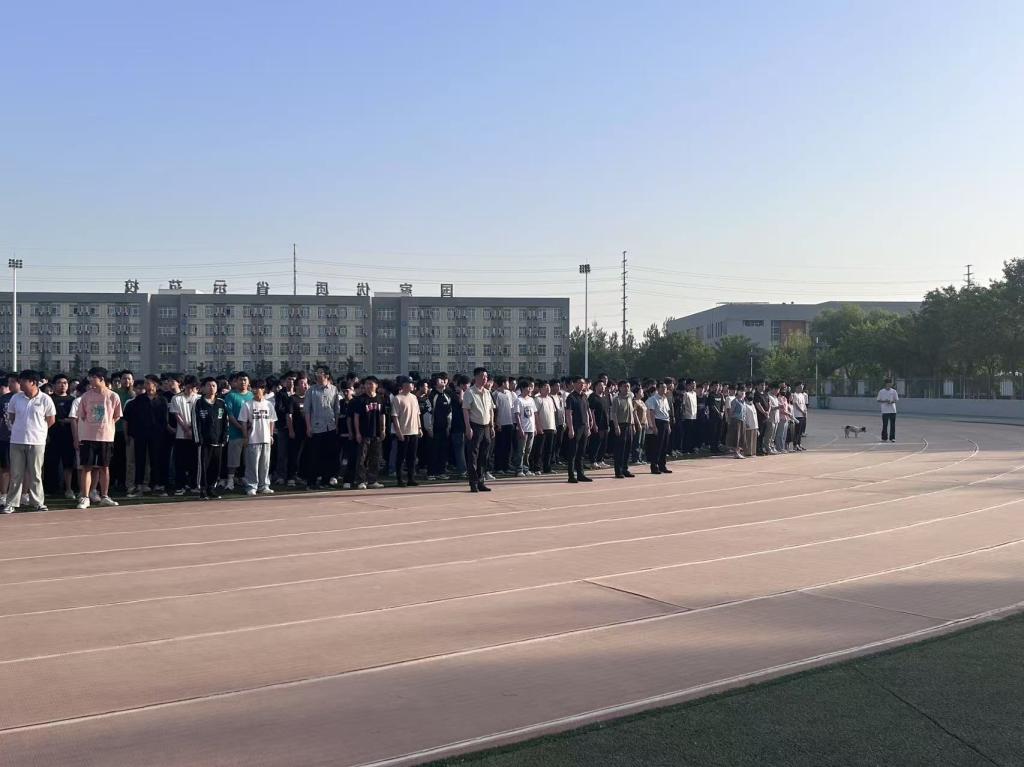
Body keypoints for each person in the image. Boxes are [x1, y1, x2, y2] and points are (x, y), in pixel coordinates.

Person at [3, 370, 56, 513]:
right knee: (16, 474)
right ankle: (11, 503)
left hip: (37, 442)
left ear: (33, 382)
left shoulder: (45, 399)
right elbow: (12, 417)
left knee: (35, 474)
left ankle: (37, 502)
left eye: (23, 381)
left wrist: (39, 430)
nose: (20, 384)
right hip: (17, 441)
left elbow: (51, 419)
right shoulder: (16, 398)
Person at [73, 366, 122, 509]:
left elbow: (117, 416)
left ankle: (105, 496)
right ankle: (85, 497)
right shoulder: (86, 396)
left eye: (93, 377)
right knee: (86, 467)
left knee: (104, 467)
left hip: (106, 437)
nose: (90, 380)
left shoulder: (113, 396)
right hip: (88, 437)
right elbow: (82, 416)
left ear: (101, 379)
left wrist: (105, 425)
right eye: (90, 377)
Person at [125, 375, 168, 496]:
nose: (146, 385)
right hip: (141, 435)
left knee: (155, 460)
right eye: (145, 383)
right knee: (140, 460)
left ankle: (156, 485)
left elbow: (164, 420)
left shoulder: (162, 400)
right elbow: (131, 418)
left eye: (149, 383)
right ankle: (139, 486)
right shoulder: (138, 400)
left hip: (156, 435)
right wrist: (131, 433)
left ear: (155, 385)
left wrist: (161, 432)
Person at [238, 379, 277, 496]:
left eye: (258, 388)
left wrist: (271, 435)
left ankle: (264, 485)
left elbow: (272, 421)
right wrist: (245, 437)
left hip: (266, 438)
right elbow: (243, 422)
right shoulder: (247, 404)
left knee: (265, 465)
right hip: (253, 439)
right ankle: (251, 486)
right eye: (253, 388)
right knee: (252, 465)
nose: (255, 390)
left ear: (263, 389)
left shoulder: (269, 404)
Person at [194, 376, 229, 500]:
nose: (211, 388)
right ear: (203, 388)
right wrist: (199, 439)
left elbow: (225, 421)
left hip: (218, 441)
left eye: (214, 385)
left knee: (216, 466)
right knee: (203, 466)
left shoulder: (221, 403)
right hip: (204, 442)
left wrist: (225, 437)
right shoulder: (199, 403)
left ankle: (211, 488)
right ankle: (202, 489)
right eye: (208, 385)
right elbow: (196, 422)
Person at [306, 366, 340, 489]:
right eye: (316, 372)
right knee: (314, 456)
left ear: (326, 375)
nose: (317, 374)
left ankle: (326, 481)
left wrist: (336, 425)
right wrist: (308, 427)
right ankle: (311, 482)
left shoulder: (334, 389)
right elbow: (307, 410)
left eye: (320, 372)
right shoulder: (311, 390)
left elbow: (336, 409)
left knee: (329, 455)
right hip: (316, 428)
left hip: (330, 427)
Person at [463, 367, 495, 492]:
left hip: (486, 426)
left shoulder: (487, 392)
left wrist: (492, 426)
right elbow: (466, 410)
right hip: (475, 426)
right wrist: (468, 427)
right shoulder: (469, 392)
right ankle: (474, 483)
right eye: (482, 376)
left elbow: (491, 410)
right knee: (473, 455)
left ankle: (481, 481)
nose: (485, 379)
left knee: (484, 455)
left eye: (486, 376)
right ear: (476, 377)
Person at [351, 376, 387, 489]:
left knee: (375, 458)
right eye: (366, 384)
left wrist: (383, 429)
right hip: (364, 433)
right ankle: (360, 480)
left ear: (376, 385)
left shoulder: (380, 399)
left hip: (376, 433)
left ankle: (372, 480)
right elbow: (356, 417)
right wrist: (357, 433)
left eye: (371, 384)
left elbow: (383, 415)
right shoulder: (360, 400)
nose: (368, 386)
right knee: (361, 458)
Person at [46, 373, 77, 498]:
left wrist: (69, 421)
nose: (62, 385)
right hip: (52, 436)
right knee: (51, 463)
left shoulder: (72, 400)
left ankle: (68, 489)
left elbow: (77, 418)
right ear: (53, 385)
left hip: (68, 436)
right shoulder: (48, 399)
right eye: (59, 383)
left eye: (65, 383)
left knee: (68, 464)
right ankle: (50, 489)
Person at [169, 375, 200, 495]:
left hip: (196, 435)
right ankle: (180, 486)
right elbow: (177, 415)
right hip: (181, 435)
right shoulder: (176, 398)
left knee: (194, 462)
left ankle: (193, 485)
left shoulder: (199, 398)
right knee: (180, 462)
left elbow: (199, 416)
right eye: (188, 386)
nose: (190, 389)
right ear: (184, 386)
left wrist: (192, 429)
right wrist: (186, 429)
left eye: (193, 386)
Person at [223, 372, 254, 491]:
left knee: (248, 459)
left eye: (245, 380)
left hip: (250, 434)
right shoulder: (230, 396)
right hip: (235, 433)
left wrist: (248, 427)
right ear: (236, 381)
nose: (243, 382)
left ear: (248, 382)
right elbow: (230, 415)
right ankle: (230, 480)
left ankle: (246, 478)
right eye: (240, 380)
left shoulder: (252, 395)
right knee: (233, 459)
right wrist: (241, 428)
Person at [390, 375, 422, 488]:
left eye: (412, 383)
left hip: (414, 431)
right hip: (403, 432)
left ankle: (411, 478)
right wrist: (398, 432)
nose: (412, 385)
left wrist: (419, 428)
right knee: (401, 456)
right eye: (410, 383)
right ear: (404, 385)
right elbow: (394, 417)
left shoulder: (414, 397)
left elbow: (417, 414)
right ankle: (400, 479)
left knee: (412, 457)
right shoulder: (397, 398)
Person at [564, 376, 593, 483]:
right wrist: (570, 428)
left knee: (581, 452)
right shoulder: (571, 397)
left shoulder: (584, 396)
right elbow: (568, 413)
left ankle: (581, 474)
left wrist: (588, 425)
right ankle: (571, 475)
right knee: (573, 452)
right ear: (574, 384)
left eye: (583, 383)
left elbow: (587, 411)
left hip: (584, 426)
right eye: (580, 383)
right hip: (575, 427)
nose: (582, 385)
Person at [427, 373, 452, 480]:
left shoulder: (447, 396)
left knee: (443, 451)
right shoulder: (432, 396)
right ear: (435, 384)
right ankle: (431, 473)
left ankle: (441, 472)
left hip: (444, 428)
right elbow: (428, 413)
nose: (443, 381)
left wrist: (448, 427)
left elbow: (449, 413)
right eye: (440, 380)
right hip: (434, 428)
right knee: (433, 451)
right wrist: (429, 428)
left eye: (443, 380)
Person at [610, 379, 637, 478]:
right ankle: (618, 470)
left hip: (629, 425)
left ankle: (625, 469)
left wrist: (633, 426)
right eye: (624, 386)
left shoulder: (629, 398)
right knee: (620, 449)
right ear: (620, 388)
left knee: (627, 449)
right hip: (621, 425)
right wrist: (616, 426)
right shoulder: (616, 399)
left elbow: (632, 413)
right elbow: (614, 414)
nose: (627, 388)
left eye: (628, 386)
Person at [286, 372, 309, 487]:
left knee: (305, 455)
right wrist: (291, 430)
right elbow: (289, 416)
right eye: (302, 383)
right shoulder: (292, 399)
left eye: (306, 383)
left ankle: (302, 475)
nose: (305, 386)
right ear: (296, 386)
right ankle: (291, 476)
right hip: (296, 432)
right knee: (294, 455)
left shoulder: (309, 398)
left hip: (307, 432)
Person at [645, 380, 672, 474]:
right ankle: (654, 466)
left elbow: (667, 413)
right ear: (657, 388)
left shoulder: (665, 399)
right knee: (657, 446)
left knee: (664, 445)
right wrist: (654, 426)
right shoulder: (653, 399)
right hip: (658, 422)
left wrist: (669, 425)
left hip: (665, 422)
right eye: (662, 387)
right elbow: (652, 413)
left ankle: (662, 465)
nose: (664, 389)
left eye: (665, 387)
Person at [511, 378, 537, 477]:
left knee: (528, 450)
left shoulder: (531, 399)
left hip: (531, 428)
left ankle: (526, 469)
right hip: (523, 429)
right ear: (522, 388)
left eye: (530, 387)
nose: (530, 389)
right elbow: (517, 415)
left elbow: (534, 414)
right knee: (521, 450)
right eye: (528, 387)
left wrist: (535, 427)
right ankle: (519, 469)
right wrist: (520, 428)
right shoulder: (518, 400)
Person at [0, 373, 19, 500]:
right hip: (5, 438)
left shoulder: (25, 398)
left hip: (22, 438)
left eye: (13, 381)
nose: (10, 384)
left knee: (22, 469)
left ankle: (23, 494)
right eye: (9, 382)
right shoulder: (3, 399)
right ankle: (4, 494)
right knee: (5, 467)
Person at [532, 381, 556, 474]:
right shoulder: (537, 399)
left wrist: (554, 426)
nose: (548, 388)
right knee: (539, 449)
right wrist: (538, 426)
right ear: (540, 389)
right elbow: (535, 414)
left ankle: (547, 467)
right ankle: (537, 467)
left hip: (551, 427)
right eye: (545, 387)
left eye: (548, 387)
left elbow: (553, 413)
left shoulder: (550, 399)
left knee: (549, 449)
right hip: (542, 428)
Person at [586, 380, 610, 469]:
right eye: (600, 385)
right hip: (597, 424)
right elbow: (591, 411)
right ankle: (593, 461)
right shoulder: (592, 397)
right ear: (595, 387)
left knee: (603, 443)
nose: (603, 387)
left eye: (603, 385)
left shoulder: (604, 397)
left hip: (605, 424)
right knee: (595, 443)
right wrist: (594, 424)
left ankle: (600, 460)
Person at [790, 382, 808, 451]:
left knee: (800, 432)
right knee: (797, 432)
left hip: (802, 415)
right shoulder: (795, 395)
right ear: (796, 387)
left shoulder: (802, 395)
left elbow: (804, 404)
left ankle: (799, 444)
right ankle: (795, 445)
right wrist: (802, 411)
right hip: (797, 415)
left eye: (802, 387)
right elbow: (796, 405)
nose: (801, 389)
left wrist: (805, 411)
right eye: (800, 387)